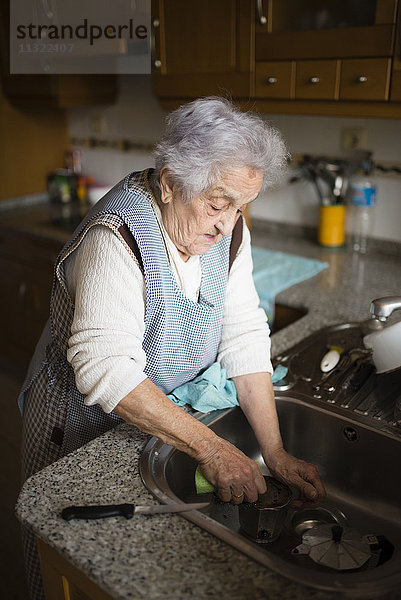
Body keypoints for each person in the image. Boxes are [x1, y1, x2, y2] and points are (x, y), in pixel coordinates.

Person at [19, 96, 325, 599]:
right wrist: (213, 448)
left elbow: (244, 329)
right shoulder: (115, 236)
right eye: (218, 203)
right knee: (70, 561)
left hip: (155, 422)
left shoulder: (225, 230)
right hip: (75, 426)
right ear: (168, 182)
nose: (228, 223)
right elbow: (106, 368)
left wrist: (274, 451)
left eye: (241, 206)